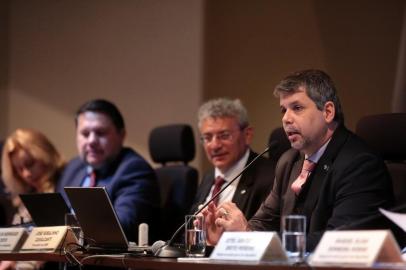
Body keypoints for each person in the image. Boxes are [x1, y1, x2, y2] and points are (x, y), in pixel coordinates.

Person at [202, 69, 394, 251]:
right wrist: (229, 239)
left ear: (328, 112)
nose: (286, 118)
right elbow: (264, 222)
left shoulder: (359, 164)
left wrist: (248, 238)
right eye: (283, 110)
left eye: (297, 108)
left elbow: (338, 242)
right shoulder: (289, 161)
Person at [57, 99, 160, 242]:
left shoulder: (134, 170)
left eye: (100, 133)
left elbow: (120, 227)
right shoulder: (73, 167)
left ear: (121, 135)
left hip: (104, 261)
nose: (91, 141)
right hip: (64, 259)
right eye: (85, 133)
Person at [190, 98, 275, 220]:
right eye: (207, 138)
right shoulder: (208, 178)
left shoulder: (269, 177)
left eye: (224, 136)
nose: (215, 146)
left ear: (247, 135)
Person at [1, 128, 65, 270]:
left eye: (30, 164)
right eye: (19, 169)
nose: (26, 174)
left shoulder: (63, 186)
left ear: (45, 154)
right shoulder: (26, 197)